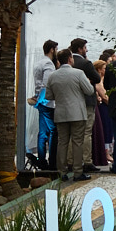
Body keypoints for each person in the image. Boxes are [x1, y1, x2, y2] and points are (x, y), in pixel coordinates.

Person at [46, 49, 95, 181]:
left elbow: (48, 96)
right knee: (77, 142)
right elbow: (90, 91)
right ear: (70, 59)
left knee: (62, 142)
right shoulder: (78, 73)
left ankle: (62, 172)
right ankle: (78, 172)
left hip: (60, 113)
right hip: (77, 113)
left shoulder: (52, 76)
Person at [70, 38, 101, 173]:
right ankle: (87, 161)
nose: (86, 50)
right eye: (85, 48)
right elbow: (98, 78)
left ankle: (70, 161)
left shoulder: (68, 63)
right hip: (87, 101)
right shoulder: (85, 63)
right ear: (80, 49)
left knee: (72, 133)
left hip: (72, 102)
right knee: (86, 132)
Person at [31, 39, 58, 169]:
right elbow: (48, 83)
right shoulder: (49, 64)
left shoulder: (38, 63)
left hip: (39, 100)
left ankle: (42, 159)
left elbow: (38, 83)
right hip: (47, 101)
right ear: (52, 49)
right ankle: (51, 160)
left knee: (42, 132)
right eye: (56, 49)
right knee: (53, 131)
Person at [91, 59, 110, 167]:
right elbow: (103, 95)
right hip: (103, 107)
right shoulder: (98, 81)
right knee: (104, 129)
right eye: (104, 68)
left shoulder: (101, 79)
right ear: (99, 69)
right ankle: (105, 153)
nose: (105, 70)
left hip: (102, 105)